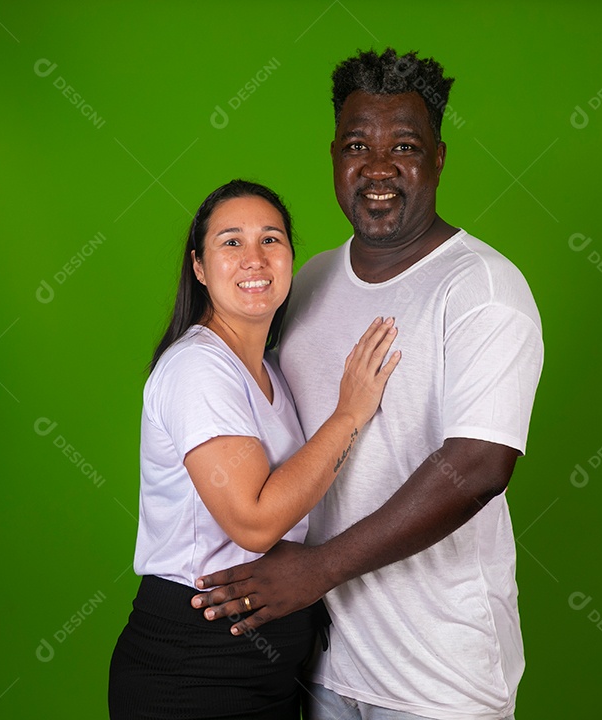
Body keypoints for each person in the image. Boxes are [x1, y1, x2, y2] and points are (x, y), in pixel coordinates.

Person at [191, 49, 545, 719]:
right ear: (334, 156)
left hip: (437, 680)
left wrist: (319, 568)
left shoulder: (481, 290)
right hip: (319, 662)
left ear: (438, 158)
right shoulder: (311, 280)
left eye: (404, 146)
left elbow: (479, 466)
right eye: (358, 145)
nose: (378, 168)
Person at [108, 179, 400, 719]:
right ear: (198, 266)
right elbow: (255, 522)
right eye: (231, 242)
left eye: (271, 239)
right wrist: (351, 413)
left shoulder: (267, 369)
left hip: (266, 669)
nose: (254, 259)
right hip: (195, 668)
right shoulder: (198, 367)